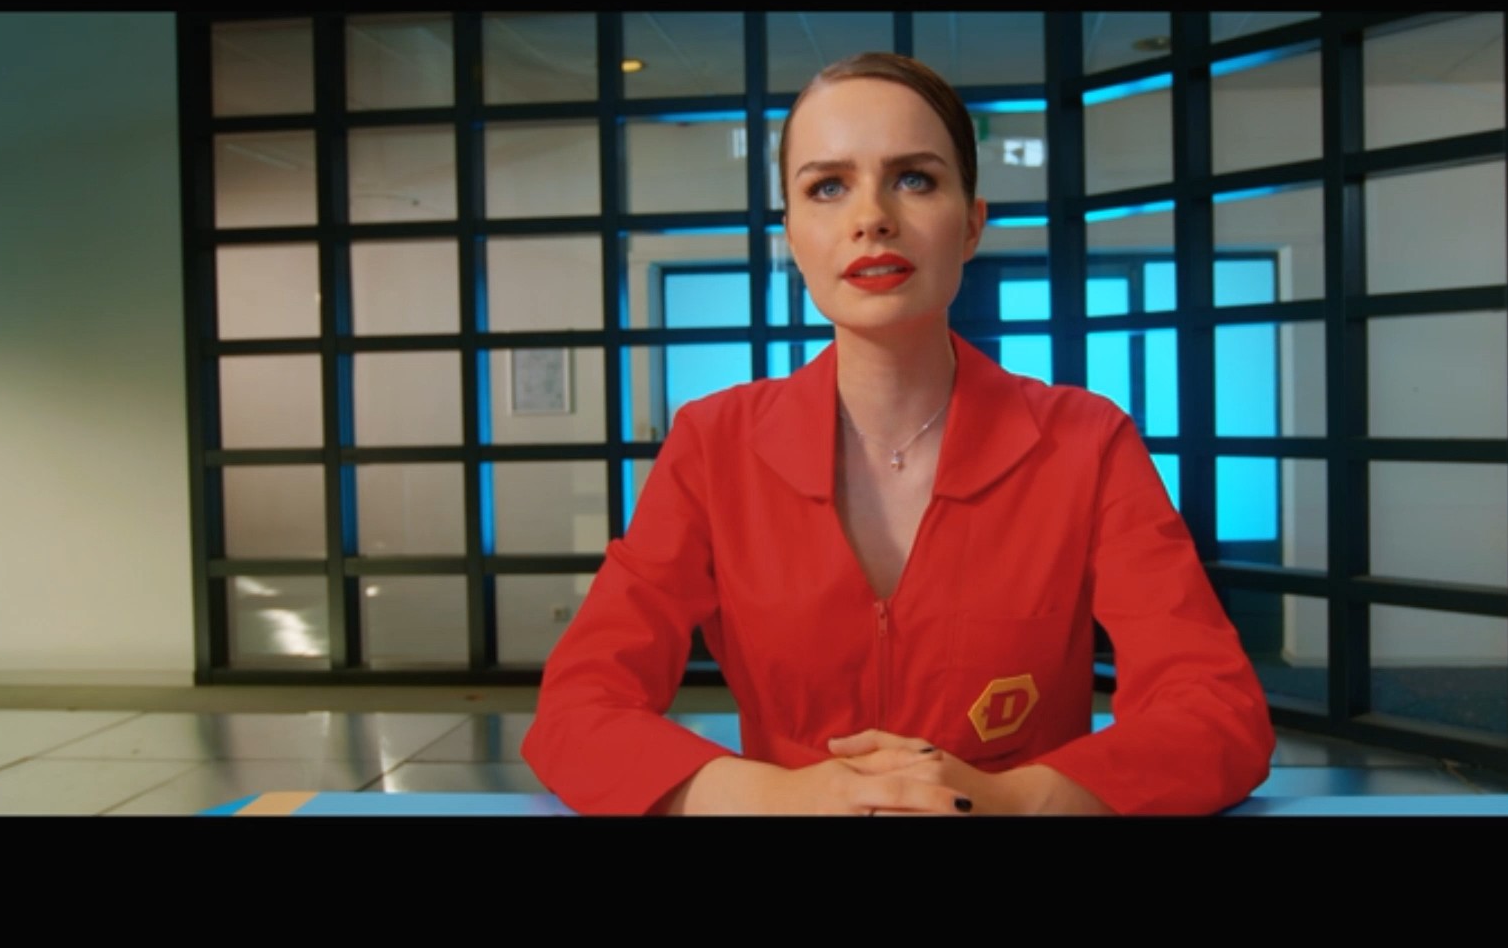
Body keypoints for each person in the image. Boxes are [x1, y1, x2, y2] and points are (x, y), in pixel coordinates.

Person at [522, 52, 1274, 815]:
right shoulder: (714, 445)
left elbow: (1217, 711)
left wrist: (1009, 800)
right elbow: (578, 710)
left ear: (972, 224)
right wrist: (776, 797)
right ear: (792, 234)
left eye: (914, 178)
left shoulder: (1087, 442)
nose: (872, 217)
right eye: (827, 186)